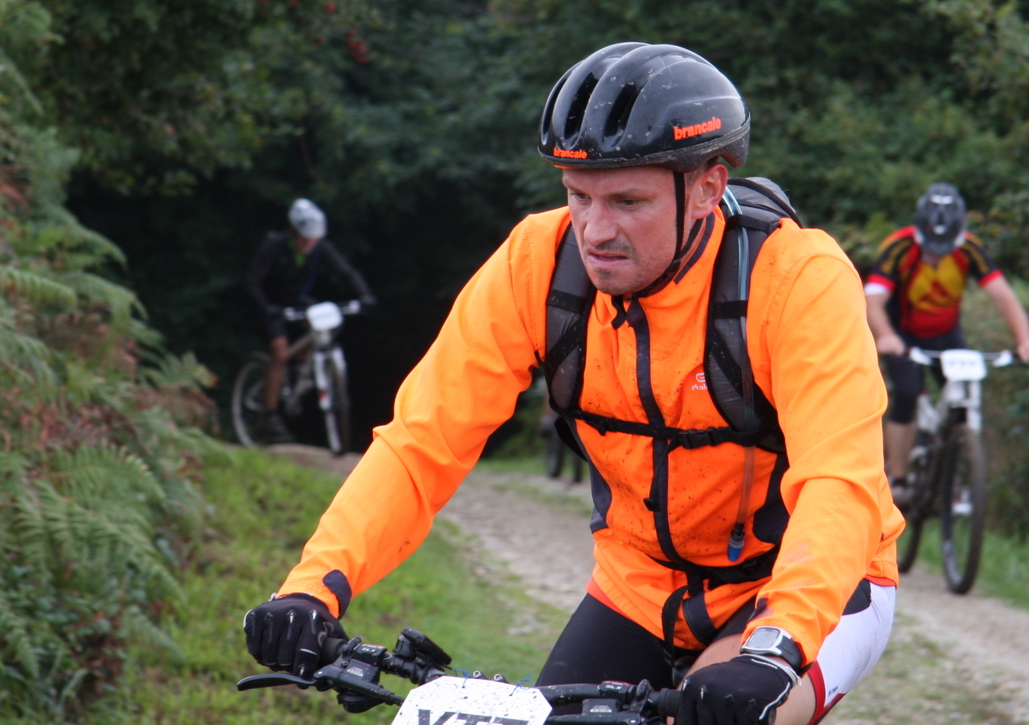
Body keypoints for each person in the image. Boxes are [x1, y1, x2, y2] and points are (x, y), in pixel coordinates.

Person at [242, 43, 902, 725]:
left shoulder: (795, 279)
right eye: (578, 195)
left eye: (628, 201)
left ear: (708, 188)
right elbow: (421, 442)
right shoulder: (539, 263)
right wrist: (312, 589)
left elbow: (837, 480)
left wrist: (777, 643)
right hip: (639, 589)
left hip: (804, 589)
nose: (595, 229)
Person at [864, 183, 1029, 504]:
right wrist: (886, 336)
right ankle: (899, 479)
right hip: (901, 334)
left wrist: (1025, 340)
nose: (937, 254)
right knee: (906, 392)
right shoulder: (899, 247)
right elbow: (873, 300)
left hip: (947, 334)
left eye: (945, 247)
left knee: (963, 392)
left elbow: (1004, 296)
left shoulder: (970, 249)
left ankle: (956, 471)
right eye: (931, 247)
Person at [244, 198, 376, 441]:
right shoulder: (274, 246)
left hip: (298, 303)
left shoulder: (320, 247)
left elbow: (346, 272)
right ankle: (271, 414)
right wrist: (266, 308)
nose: (308, 243)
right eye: (303, 238)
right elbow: (252, 282)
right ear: (292, 232)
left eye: (313, 238)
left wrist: (364, 295)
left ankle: (296, 373)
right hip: (271, 306)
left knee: (322, 326)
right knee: (280, 351)